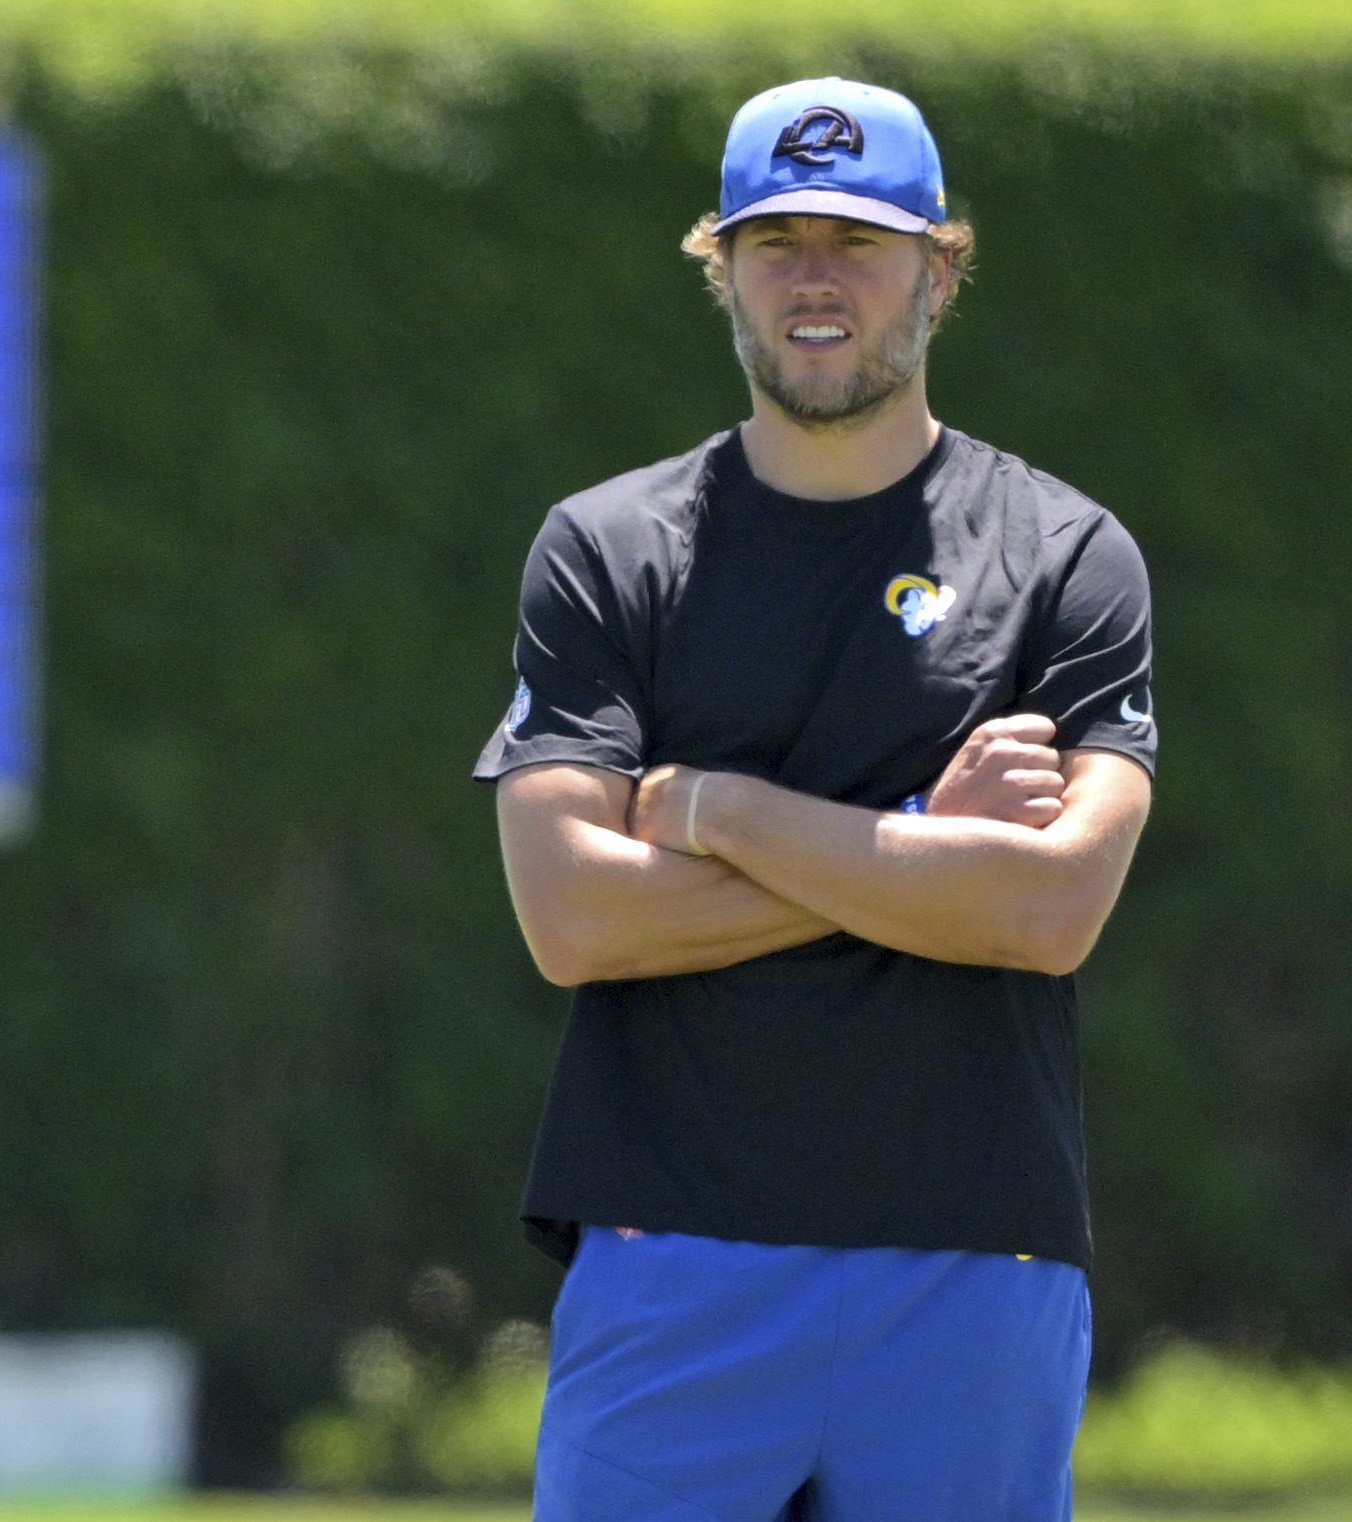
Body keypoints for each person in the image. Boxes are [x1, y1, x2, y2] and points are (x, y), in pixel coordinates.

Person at [475, 78, 1156, 1519]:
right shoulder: (603, 548)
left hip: (970, 1257)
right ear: (717, 267)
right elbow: (572, 918)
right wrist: (925, 849)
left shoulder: (1067, 551)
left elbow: (1042, 908)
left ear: (940, 265)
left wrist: (716, 808)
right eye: (773, 239)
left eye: (858, 239)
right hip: (672, 1254)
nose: (814, 278)